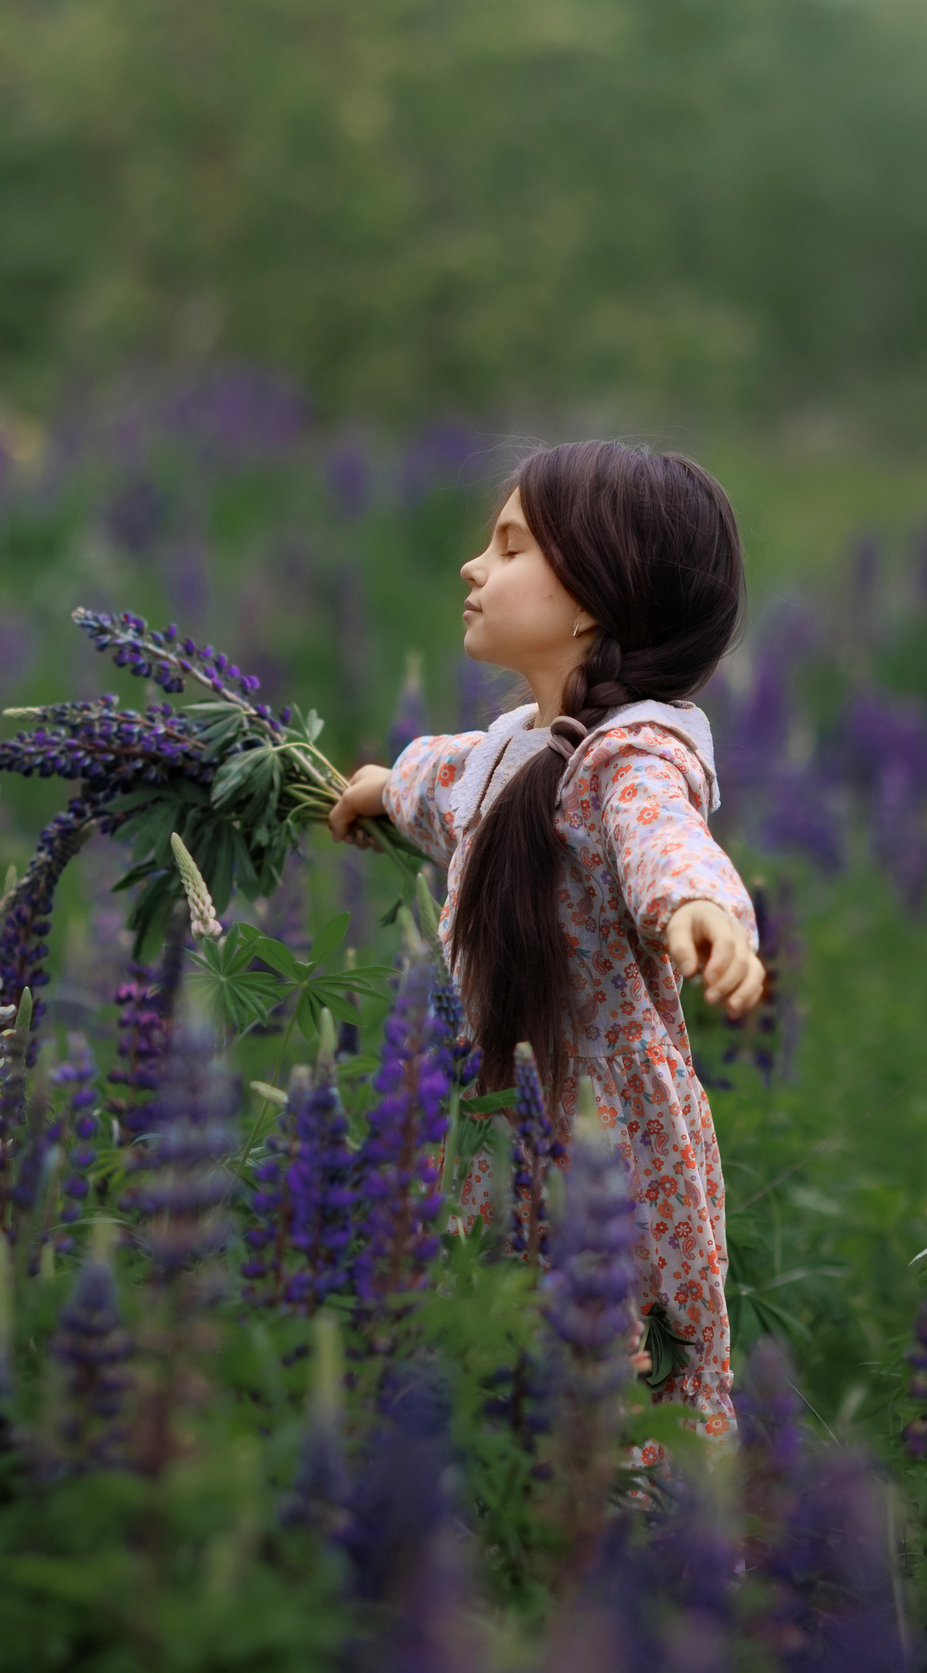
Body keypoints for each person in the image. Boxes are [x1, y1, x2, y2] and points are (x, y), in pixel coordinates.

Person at [327, 440, 764, 1440]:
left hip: (607, 1150)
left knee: (617, 1394)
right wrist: (375, 791)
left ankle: (669, 1567)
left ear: (589, 604)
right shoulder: (511, 752)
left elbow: (663, 836)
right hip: (486, 1128)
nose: (475, 567)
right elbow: (440, 782)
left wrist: (703, 912)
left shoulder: (633, 752)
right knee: (490, 1364)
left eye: (511, 546)